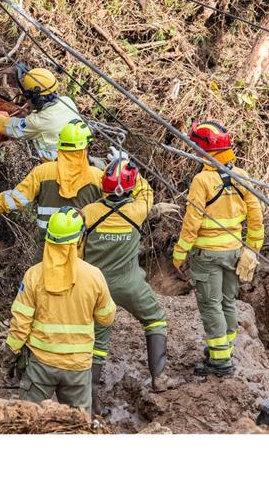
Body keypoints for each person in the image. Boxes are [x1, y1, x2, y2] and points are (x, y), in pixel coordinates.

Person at [80, 156, 173, 412]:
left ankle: (91, 403)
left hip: (96, 287)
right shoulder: (137, 210)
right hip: (130, 283)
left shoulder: (89, 213)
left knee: (97, 344)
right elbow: (146, 192)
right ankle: (159, 378)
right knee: (155, 319)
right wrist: (130, 166)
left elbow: (76, 247)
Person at [171, 122, 264, 376]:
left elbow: (192, 222)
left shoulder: (202, 181)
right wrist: (252, 248)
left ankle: (220, 362)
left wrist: (179, 253)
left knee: (211, 306)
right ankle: (224, 349)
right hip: (234, 252)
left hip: (207, 255)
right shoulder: (240, 175)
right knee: (227, 302)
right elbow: (256, 214)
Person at [5, 207, 116, 412]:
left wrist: (10, 353)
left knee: (27, 422)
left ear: (49, 238)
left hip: (40, 365)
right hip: (78, 367)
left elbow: (20, 323)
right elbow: (106, 318)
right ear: (78, 239)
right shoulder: (94, 276)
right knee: (79, 425)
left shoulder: (33, 275)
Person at [0, 119, 101, 242]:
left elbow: (13, 200)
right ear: (86, 148)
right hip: (81, 249)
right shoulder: (98, 177)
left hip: (47, 246)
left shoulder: (43, 172)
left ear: (60, 144)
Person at [0, 66, 83, 161]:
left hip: (57, 169)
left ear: (37, 99)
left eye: (27, 97)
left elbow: (9, 127)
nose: (25, 100)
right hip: (79, 157)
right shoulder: (67, 101)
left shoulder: (38, 121)